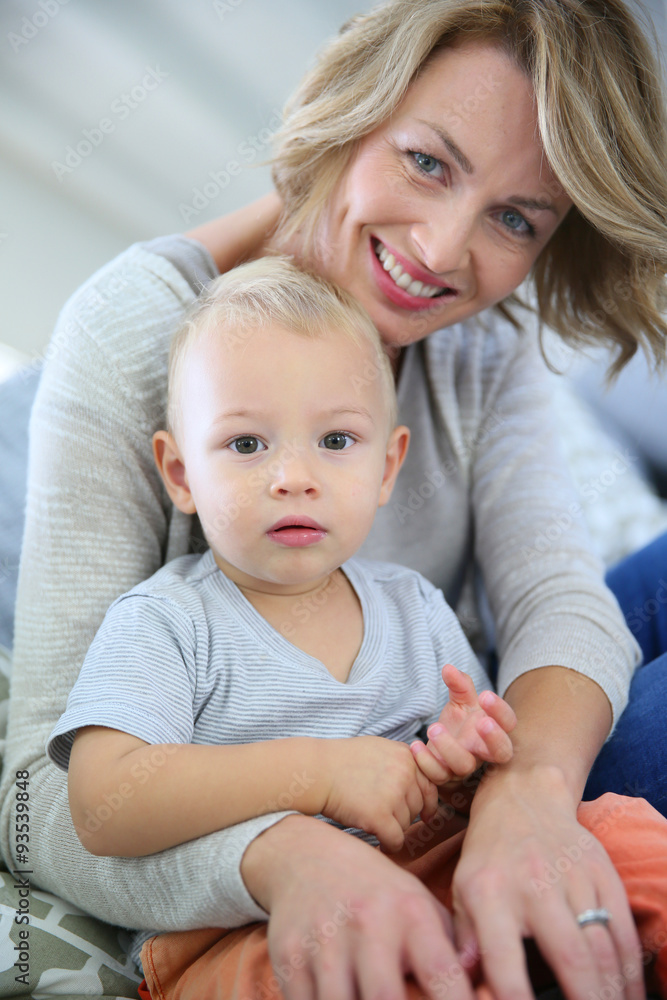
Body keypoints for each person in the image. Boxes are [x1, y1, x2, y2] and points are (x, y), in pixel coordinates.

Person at [1, 0, 666, 997]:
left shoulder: (481, 342)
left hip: (465, 768)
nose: (442, 250)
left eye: (515, 218)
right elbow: (43, 796)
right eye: (428, 162)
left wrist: (524, 794)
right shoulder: (138, 335)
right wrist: (277, 850)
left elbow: (555, 597)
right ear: (354, 106)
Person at [46, 256, 517, 859]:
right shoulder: (168, 621)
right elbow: (101, 807)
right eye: (247, 443)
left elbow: (476, 785)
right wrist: (318, 774)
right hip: (262, 923)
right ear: (181, 474)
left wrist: (461, 762)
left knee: (618, 832)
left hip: (433, 875)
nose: (294, 478)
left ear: (387, 468)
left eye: (336, 441)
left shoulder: (416, 610)